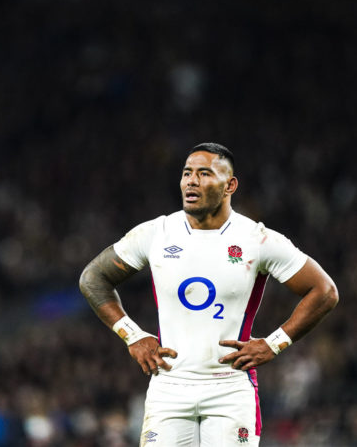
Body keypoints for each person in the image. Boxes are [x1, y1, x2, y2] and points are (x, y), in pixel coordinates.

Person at [79, 142, 339, 446]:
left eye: (204, 174)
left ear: (230, 185)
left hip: (230, 388)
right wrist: (133, 336)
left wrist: (274, 343)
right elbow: (93, 278)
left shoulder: (257, 239)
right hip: (169, 386)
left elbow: (324, 291)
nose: (191, 181)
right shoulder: (157, 233)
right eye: (187, 173)